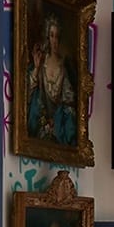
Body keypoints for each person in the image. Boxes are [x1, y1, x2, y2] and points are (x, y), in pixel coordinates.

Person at [27, 12, 78, 146]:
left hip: (59, 123)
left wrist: (57, 119)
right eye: (52, 36)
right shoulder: (40, 62)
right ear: (48, 37)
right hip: (41, 121)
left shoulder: (63, 66)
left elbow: (69, 100)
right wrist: (36, 68)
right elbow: (28, 93)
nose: (54, 41)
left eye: (57, 36)